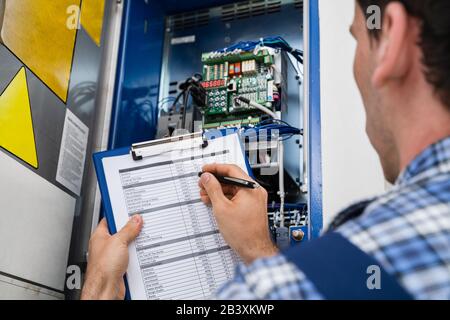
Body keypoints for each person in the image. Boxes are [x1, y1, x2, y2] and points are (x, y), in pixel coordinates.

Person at [81, 0, 450, 300]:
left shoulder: (355, 260)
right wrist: (258, 249)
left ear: (392, 39)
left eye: (356, 40)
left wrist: (98, 287)